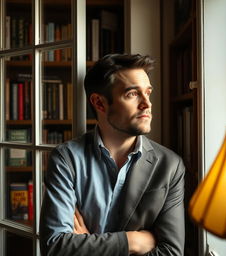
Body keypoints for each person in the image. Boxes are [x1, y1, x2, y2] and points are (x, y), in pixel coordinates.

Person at [39, 53, 185, 255]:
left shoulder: (170, 165)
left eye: (148, 93)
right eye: (133, 94)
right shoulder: (67, 159)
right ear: (99, 103)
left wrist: (88, 244)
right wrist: (133, 241)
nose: (147, 104)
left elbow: (170, 252)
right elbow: (55, 247)